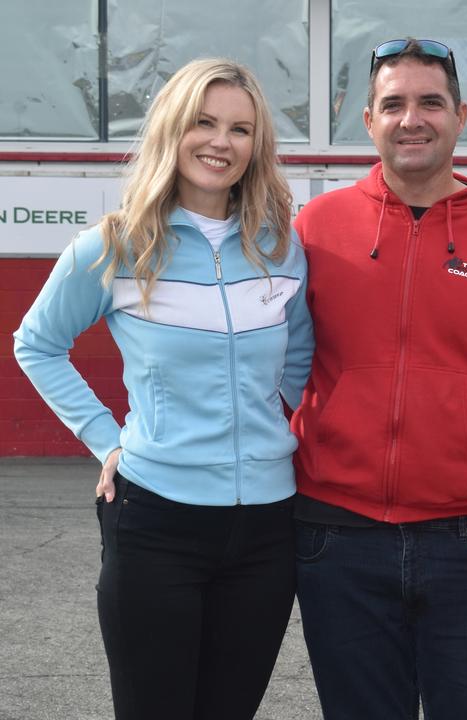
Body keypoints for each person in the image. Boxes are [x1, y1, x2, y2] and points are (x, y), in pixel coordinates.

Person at [289, 38, 467, 719]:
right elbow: (260, 361)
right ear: (368, 121)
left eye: (429, 102)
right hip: (339, 540)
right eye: (392, 104)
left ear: (459, 116)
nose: (410, 119)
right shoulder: (317, 228)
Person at [13, 59, 312, 720]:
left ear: (255, 146)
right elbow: (36, 343)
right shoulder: (116, 246)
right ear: (172, 132)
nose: (220, 142)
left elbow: (304, 370)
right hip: (157, 522)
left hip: (268, 528)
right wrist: (104, 439)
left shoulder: (281, 248)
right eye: (203, 123)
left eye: (239, 128)